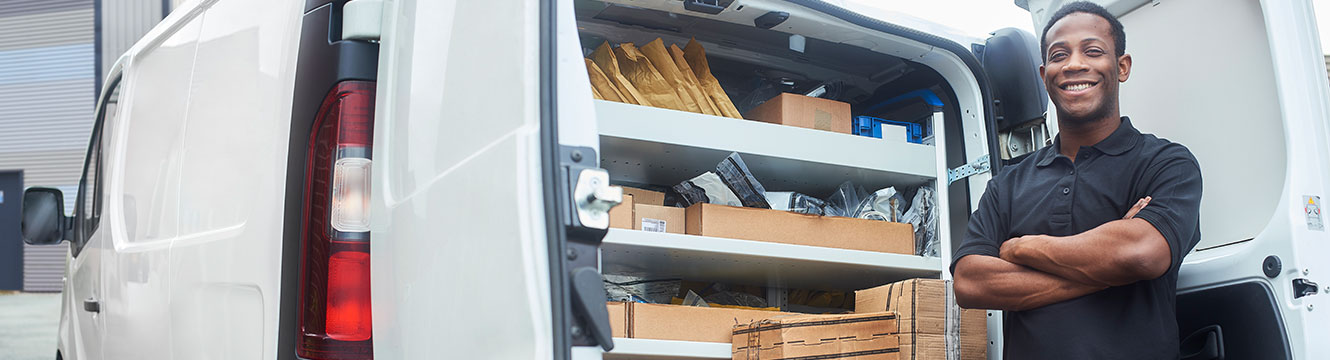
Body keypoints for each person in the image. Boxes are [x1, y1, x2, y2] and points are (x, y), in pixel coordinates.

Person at [951, 2, 1203, 359]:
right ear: (1044, 75)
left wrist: (1023, 248)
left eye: (1093, 51)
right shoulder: (1007, 184)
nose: (1073, 65)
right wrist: (1109, 262)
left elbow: (1141, 253)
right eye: (1059, 55)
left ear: (1122, 66)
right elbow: (970, 283)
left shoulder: (1166, 163)